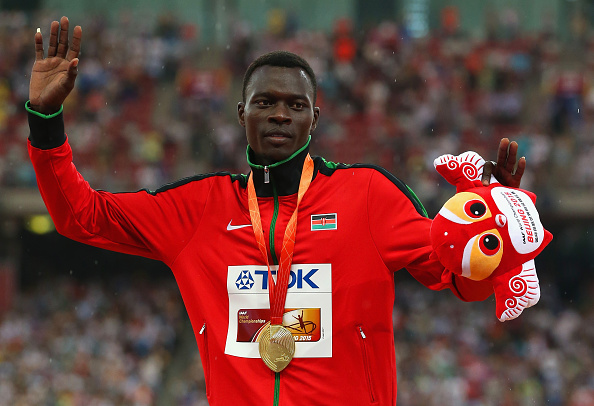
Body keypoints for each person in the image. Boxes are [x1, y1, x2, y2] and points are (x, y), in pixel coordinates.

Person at [27, 17, 526, 406]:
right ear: (242, 113)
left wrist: (493, 236)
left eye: (295, 104)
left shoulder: (368, 195)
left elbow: (458, 277)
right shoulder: (197, 208)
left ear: (315, 116)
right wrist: (46, 124)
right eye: (265, 102)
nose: (280, 114)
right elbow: (82, 216)